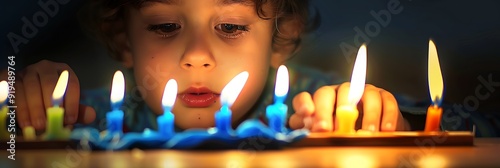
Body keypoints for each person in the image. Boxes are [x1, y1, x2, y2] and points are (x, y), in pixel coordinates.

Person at [10, 0, 410, 134]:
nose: (197, 56)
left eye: (231, 26)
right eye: (165, 26)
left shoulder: (316, 115)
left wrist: (393, 127)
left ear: (280, 35)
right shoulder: (85, 121)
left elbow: (471, 124)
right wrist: (15, 114)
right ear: (122, 39)